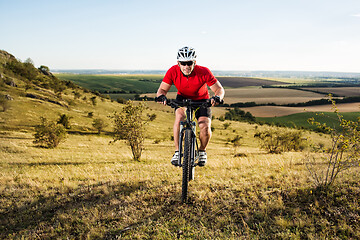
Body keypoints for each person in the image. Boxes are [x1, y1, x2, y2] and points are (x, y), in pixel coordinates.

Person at [155, 46, 225, 167]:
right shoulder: (172, 71)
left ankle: (202, 151)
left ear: (194, 62)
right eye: (183, 63)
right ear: (178, 63)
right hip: (182, 99)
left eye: (189, 63)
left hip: (202, 100)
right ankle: (177, 152)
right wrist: (161, 96)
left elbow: (219, 89)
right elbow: (162, 89)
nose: (186, 66)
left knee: (204, 126)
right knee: (179, 118)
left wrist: (217, 97)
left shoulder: (204, 71)